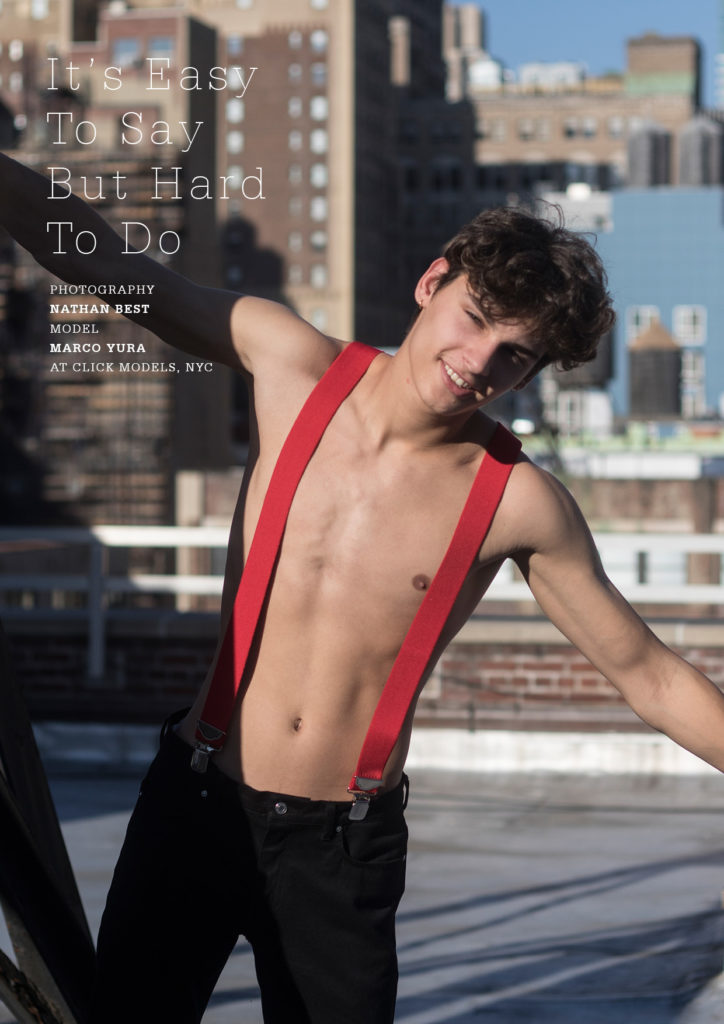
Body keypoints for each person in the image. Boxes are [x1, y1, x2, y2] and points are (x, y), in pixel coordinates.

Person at [2, 149, 724, 1024]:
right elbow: (108, 265)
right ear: (432, 282)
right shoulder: (291, 365)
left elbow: (649, 676)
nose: (477, 363)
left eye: (514, 356)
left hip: (341, 850)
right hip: (196, 802)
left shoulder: (518, 500)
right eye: (475, 318)